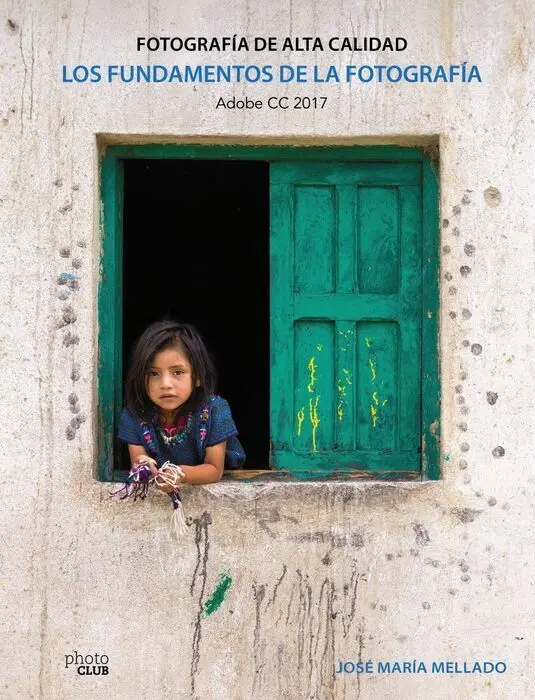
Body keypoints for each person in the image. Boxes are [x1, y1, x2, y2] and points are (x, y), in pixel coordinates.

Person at [118, 320, 245, 489]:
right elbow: (139, 464)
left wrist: (178, 474)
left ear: (198, 376)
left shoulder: (215, 410)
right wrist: (146, 468)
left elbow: (214, 470)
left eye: (177, 372)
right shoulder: (135, 415)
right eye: (153, 373)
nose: (165, 384)